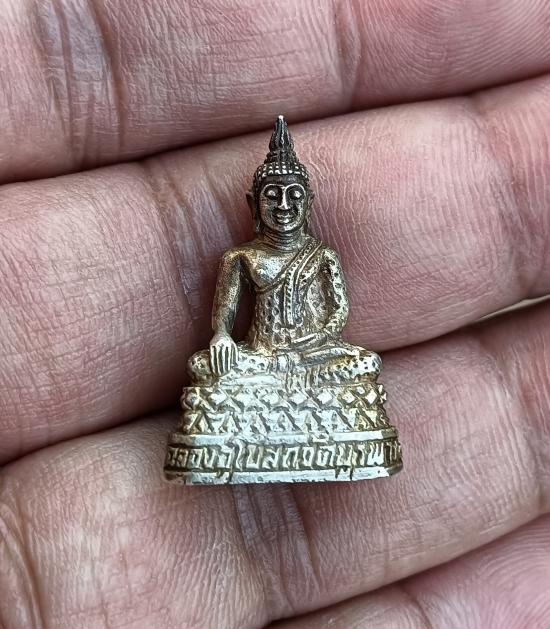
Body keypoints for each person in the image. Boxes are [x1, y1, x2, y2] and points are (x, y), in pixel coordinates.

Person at [0, 2, 549, 627]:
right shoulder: (240, 258)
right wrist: (224, 344)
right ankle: (245, 439)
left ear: (307, 202)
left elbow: (336, 317)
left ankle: (313, 438)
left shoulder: (320, 255)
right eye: (272, 195)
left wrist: (309, 346)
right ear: (253, 202)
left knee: (359, 365)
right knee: (210, 373)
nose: (283, 204)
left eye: (292, 194)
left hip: (311, 355)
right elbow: (223, 322)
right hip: (258, 357)